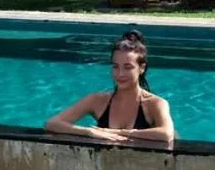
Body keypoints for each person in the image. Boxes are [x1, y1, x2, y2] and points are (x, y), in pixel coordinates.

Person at [45, 30, 175, 143]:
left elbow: (167, 134)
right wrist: (89, 132)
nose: (120, 74)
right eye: (115, 66)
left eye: (128, 67)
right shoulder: (97, 100)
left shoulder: (155, 104)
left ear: (141, 68)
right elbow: (52, 123)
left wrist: (123, 133)